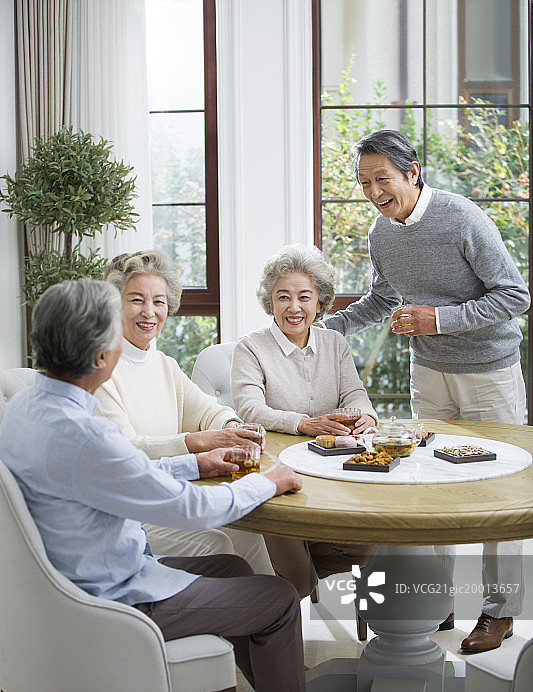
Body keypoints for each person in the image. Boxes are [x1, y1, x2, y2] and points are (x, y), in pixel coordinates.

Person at [0, 278, 363, 692]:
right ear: (101, 356)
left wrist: (195, 464)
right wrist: (271, 481)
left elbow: (112, 475)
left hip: (64, 588)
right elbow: (191, 510)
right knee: (276, 596)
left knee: (236, 570)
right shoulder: (89, 435)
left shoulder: (24, 408)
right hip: (115, 602)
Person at [324, 128, 530, 653]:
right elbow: (381, 299)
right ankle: (432, 601)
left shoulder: (460, 217)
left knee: (497, 493)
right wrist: (330, 329)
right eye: (364, 181)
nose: (373, 191)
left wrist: (438, 319)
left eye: (382, 179)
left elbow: (514, 295)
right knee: (426, 483)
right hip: (429, 373)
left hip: (489, 371)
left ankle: (499, 611)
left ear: (412, 171)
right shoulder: (382, 233)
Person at [94, 250, 273, 578]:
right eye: (137, 300)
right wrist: (196, 441)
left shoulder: (163, 364)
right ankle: (233, 619)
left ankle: (261, 621)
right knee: (215, 543)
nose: (149, 312)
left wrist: (233, 426)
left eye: (159, 302)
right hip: (129, 515)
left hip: (169, 496)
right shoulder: (100, 369)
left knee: (249, 533)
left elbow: (206, 410)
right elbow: (126, 450)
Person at [231, 244, 377, 598]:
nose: (294, 307)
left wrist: (366, 415)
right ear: (270, 302)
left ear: (319, 302)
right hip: (276, 470)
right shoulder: (251, 347)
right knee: (293, 566)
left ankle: (292, 579)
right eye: (283, 297)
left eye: (304, 297)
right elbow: (249, 408)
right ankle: (292, 590)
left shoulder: (335, 342)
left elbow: (354, 394)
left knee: (373, 543)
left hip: (335, 467)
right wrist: (303, 424)